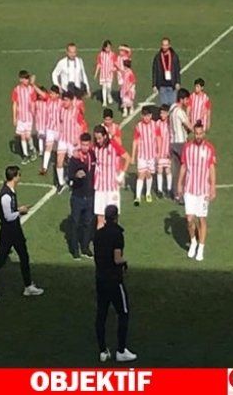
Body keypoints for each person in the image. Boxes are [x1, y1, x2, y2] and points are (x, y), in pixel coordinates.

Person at [0, 166, 44, 300]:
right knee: (0, 259)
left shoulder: (11, 191)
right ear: (14, 177)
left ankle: (28, 286)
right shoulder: (5, 195)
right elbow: (8, 216)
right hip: (8, 231)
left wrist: (18, 210)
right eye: (19, 175)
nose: (20, 177)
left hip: (15, 229)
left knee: (24, 256)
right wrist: (20, 211)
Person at [94, 205, 136, 362]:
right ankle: (121, 350)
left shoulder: (98, 234)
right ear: (117, 217)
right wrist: (125, 262)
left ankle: (102, 350)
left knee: (101, 314)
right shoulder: (117, 234)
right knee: (123, 313)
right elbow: (117, 258)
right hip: (114, 280)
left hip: (100, 278)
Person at [178, 122, 217, 262]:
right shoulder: (187, 148)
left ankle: (201, 247)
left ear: (203, 133)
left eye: (200, 133)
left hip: (203, 191)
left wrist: (213, 187)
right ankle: (193, 241)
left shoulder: (209, 149)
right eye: (196, 133)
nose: (198, 136)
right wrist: (179, 184)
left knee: (201, 219)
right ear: (193, 133)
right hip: (189, 189)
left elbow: (211, 168)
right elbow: (183, 166)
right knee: (189, 219)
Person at [93, 125, 130, 229]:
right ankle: (100, 238)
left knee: (113, 218)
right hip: (100, 187)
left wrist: (121, 175)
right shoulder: (95, 147)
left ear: (105, 136)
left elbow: (127, 158)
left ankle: (112, 237)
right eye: (96, 138)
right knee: (100, 218)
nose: (98, 141)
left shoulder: (113, 145)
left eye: (99, 138)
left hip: (112, 187)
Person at [68, 133, 96, 260]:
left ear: (90, 144)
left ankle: (85, 247)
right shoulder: (75, 158)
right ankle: (74, 250)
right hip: (77, 196)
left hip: (90, 195)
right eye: (83, 145)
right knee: (75, 223)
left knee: (88, 223)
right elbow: (69, 176)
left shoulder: (93, 155)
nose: (85, 147)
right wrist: (76, 176)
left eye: (87, 145)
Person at [55, 92, 84, 191]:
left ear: (71, 101)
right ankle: (61, 183)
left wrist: (78, 138)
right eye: (63, 100)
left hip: (72, 140)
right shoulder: (62, 110)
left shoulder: (76, 112)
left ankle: (74, 180)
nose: (64, 102)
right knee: (59, 160)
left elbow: (81, 125)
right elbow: (60, 122)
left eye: (66, 100)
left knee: (74, 162)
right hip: (63, 139)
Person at [131, 106, 158, 206]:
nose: (146, 118)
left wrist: (159, 152)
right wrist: (133, 156)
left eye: (148, 116)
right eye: (144, 116)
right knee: (141, 174)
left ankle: (148, 193)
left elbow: (158, 138)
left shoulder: (155, 125)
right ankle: (137, 197)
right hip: (142, 155)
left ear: (151, 116)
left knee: (149, 174)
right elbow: (135, 141)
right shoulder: (138, 126)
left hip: (152, 155)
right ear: (142, 116)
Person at [169, 89, 192, 202]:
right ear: (182, 99)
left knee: (176, 170)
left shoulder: (172, 108)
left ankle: (176, 194)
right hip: (181, 143)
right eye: (186, 99)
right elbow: (189, 125)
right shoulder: (180, 112)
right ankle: (182, 194)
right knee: (184, 169)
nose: (188, 102)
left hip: (172, 142)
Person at [11, 70, 38, 165]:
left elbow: (33, 102)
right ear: (21, 79)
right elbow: (14, 104)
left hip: (29, 117)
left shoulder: (31, 90)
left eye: (28, 78)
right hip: (21, 117)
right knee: (22, 136)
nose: (27, 80)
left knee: (28, 136)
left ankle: (32, 149)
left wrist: (34, 114)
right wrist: (14, 117)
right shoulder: (16, 90)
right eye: (25, 79)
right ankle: (25, 155)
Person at [38, 85, 62, 175]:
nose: (51, 95)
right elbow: (41, 93)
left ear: (57, 95)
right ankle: (44, 167)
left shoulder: (61, 103)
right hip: (50, 129)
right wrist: (33, 85)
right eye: (50, 93)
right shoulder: (48, 100)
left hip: (59, 130)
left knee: (62, 148)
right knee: (48, 147)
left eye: (53, 93)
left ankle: (65, 163)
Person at [151, 37, 181, 106]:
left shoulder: (174, 56)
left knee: (173, 106)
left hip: (172, 85)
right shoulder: (158, 57)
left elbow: (177, 70)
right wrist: (154, 85)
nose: (164, 47)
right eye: (163, 45)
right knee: (164, 107)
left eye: (166, 45)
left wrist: (178, 82)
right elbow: (154, 71)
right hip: (162, 85)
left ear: (169, 45)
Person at [155, 105, 173, 198]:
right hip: (160, 150)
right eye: (161, 113)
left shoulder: (170, 123)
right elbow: (157, 137)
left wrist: (170, 149)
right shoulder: (158, 123)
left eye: (163, 113)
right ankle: (160, 190)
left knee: (168, 170)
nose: (161, 115)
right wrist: (157, 151)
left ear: (167, 113)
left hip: (167, 149)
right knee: (159, 170)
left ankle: (169, 189)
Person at [94, 40, 117, 107]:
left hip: (109, 74)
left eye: (109, 47)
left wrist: (115, 69)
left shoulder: (113, 54)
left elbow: (115, 63)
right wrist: (96, 73)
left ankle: (109, 95)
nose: (108, 49)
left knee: (109, 87)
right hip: (103, 74)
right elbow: (99, 64)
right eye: (107, 47)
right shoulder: (101, 55)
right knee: (104, 87)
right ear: (104, 48)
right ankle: (104, 101)